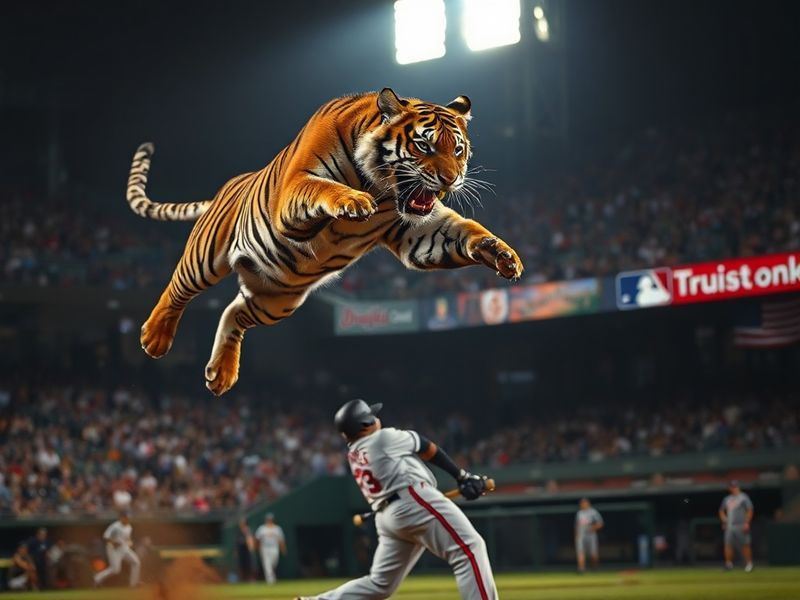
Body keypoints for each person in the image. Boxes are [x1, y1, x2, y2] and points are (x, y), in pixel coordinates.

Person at [295, 399, 497, 600]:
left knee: (379, 584)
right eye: (372, 416)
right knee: (469, 549)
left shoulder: (353, 453)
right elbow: (426, 447)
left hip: (388, 518)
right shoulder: (382, 438)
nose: (377, 418)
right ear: (365, 424)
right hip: (412, 500)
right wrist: (461, 476)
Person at [93, 510, 141, 587]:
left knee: (136, 562)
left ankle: (134, 584)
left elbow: (128, 539)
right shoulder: (115, 526)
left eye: (128, 517)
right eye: (125, 517)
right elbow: (105, 536)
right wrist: (113, 542)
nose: (127, 519)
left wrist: (130, 542)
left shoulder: (129, 527)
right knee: (115, 570)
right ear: (121, 518)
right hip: (114, 549)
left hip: (124, 549)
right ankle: (97, 578)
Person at [719, 480, 754, 572]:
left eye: (735, 486)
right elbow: (721, 511)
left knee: (745, 545)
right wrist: (724, 520)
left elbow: (750, 510)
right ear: (730, 488)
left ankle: (749, 564)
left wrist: (747, 522)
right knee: (728, 545)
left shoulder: (743, 497)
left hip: (741, 524)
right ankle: (728, 564)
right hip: (730, 526)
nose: (734, 488)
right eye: (732, 486)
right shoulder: (727, 499)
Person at [254, 513, 286, 584]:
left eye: (270, 519)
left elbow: (281, 540)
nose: (269, 520)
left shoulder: (277, 529)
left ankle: (271, 577)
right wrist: (256, 547)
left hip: (274, 548)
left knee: (274, 563)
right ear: (266, 520)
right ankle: (270, 581)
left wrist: (283, 548)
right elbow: (257, 539)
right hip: (265, 548)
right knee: (267, 564)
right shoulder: (262, 529)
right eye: (268, 519)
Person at [575, 498, 603, 573]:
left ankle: (595, 567)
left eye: (585, 503)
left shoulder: (593, 512)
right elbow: (577, 525)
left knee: (593, 554)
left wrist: (592, 528)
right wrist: (577, 535)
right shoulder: (579, 513)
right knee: (580, 552)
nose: (583, 504)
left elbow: (600, 523)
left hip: (591, 534)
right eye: (582, 503)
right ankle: (581, 569)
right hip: (581, 534)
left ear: (588, 504)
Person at [236, 518, 255, 582]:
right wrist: (236, 551)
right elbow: (237, 542)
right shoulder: (239, 531)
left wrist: (251, 546)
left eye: (242, 523)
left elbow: (250, 539)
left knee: (248, 565)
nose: (241, 524)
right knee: (241, 565)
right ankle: (242, 579)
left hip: (247, 550)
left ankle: (250, 578)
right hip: (241, 550)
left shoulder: (248, 530)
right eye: (241, 523)